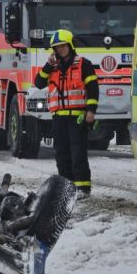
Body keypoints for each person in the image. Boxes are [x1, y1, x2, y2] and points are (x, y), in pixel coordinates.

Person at [34, 29, 99, 199]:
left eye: (63, 46)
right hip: (58, 117)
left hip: (77, 116)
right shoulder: (52, 67)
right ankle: (67, 188)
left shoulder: (84, 64)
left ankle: (83, 187)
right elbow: (38, 83)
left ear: (70, 45)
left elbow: (93, 89)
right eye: (57, 47)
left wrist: (91, 111)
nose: (60, 49)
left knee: (78, 152)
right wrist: (48, 66)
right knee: (61, 153)